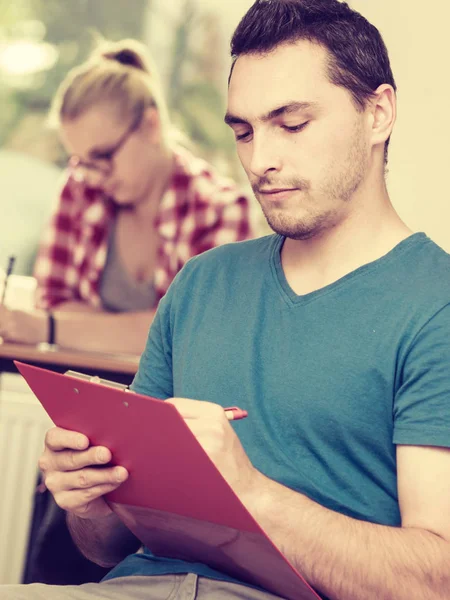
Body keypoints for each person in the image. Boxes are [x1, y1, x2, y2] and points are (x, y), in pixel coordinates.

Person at [3, 1, 450, 599]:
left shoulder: (433, 303)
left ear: (378, 113)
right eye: (243, 131)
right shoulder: (200, 284)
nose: (260, 160)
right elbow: (104, 547)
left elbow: (433, 583)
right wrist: (88, 498)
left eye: (292, 124)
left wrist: (250, 489)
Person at [0, 39, 253, 356]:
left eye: (103, 157)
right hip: (84, 386)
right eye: (81, 162)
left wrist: (49, 327)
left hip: (176, 402)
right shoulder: (78, 188)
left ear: (150, 125)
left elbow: (195, 334)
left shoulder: (222, 209)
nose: (92, 175)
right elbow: (51, 300)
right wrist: (143, 327)